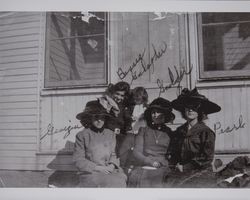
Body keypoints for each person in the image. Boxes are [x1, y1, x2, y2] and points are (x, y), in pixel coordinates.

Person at [168, 87, 221, 187]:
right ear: (184, 109)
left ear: (200, 110)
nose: (191, 109)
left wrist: (186, 167)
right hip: (181, 173)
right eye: (188, 106)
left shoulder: (206, 132)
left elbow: (206, 158)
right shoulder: (180, 131)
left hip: (201, 174)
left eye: (195, 106)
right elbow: (174, 152)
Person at [73, 100, 127, 187]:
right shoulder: (82, 135)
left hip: (110, 170)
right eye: (96, 117)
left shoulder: (110, 134)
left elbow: (114, 154)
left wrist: (111, 166)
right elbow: (78, 160)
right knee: (109, 181)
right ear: (89, 118)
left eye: (102, 117)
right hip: (91, 172)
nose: (99, 121)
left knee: (121, 179)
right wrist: (98, 168)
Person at [128, 97, 175, 187]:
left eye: (158, 112)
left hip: (163, 166)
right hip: (145, 164)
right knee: (137, 178)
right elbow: (137, 152)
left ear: (165, 114)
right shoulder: (143, 130)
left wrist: (163, 163)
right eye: (153, 112)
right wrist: (150, 162)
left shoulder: (169, 133)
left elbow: (172, 154)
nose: (155, 115)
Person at [118, 87, 149, 171]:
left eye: (138, 98)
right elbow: (125, 115)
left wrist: (142, 116)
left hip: (142, 134)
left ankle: (139, 169)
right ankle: (123, 167)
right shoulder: (130, 107)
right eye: (134, 98)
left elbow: (148, 116)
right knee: (124, 151)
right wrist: (131, 118)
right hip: (131, 132)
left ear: (143, 98)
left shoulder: (147, 108)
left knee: (139, 152)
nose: (136, 100)